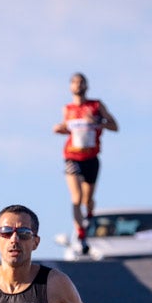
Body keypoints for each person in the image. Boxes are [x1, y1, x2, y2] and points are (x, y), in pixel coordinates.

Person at [52, 72, 118, 256]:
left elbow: (115, 126)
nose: (78, 86)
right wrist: (59, 129)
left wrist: (99, 122)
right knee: (76, 198)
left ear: (87, 86)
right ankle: (81, 234)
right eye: (75, 82)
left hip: (92, 158)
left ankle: (88, 216)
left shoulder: (96, 106)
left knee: (87, 200)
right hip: (72, 157)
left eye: (82, 82)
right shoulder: (68, 109)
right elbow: (66, 128)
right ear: (70, 87)